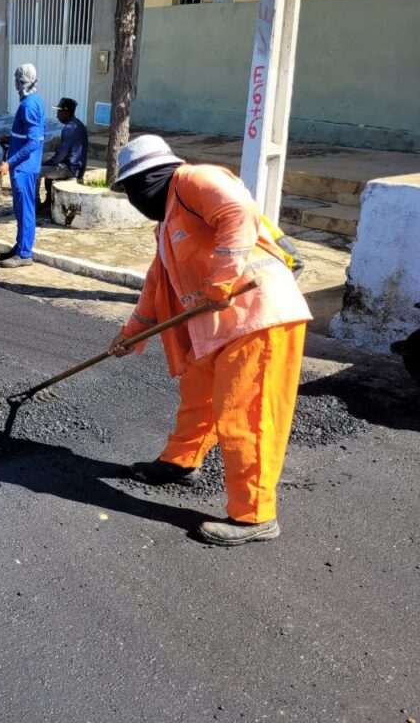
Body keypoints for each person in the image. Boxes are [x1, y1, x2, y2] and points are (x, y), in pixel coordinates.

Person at [107, 135, 312, 546]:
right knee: (198, 396)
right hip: (218, 326)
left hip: (259, 314)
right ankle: (181, 462)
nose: (134, 197)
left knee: (247, 415)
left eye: (133, 187)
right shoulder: (167, 224)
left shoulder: (193, 180)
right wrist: (130, 334)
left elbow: (238, 211)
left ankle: (255, 516)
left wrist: (222, 277)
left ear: (155, 175)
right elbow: (156, 286)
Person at [0, 63, 46, 269]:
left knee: (25, 210)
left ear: (22, 81)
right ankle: (20, 246)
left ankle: (25, 253)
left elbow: (34, 142)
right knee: (20, 209)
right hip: (24, 167)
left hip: (24, 168)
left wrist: (9, 162)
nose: (15, 83)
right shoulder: (34, 101)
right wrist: (10, 139)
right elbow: (28, 135)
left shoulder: (28, 106)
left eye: (17, 79)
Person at [38, 97, 88, 212]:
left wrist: (48, 163)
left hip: (71, 169)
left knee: (37, 171)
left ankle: (34, 203)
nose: (57, 115)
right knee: (46, 158)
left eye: (59, 112)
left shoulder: (70, 129)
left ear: (66, 112)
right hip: (77, 166)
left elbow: (61, 155)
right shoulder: (77, 124)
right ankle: (49, 200)